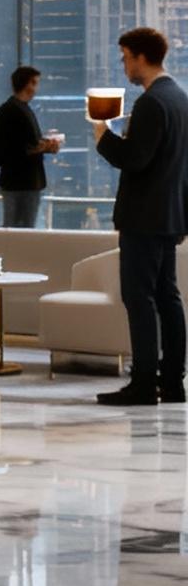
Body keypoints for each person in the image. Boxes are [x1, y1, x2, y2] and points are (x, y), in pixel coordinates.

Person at [91, 25, 188, 408]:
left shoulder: (151, 102)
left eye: (126, 58)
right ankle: (173, 382)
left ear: (141, 57)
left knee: (139, 297)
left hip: (144, 217)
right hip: (169, 215)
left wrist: (103, 136)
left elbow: (136, 159)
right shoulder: (180, 97)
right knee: (168, 297)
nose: (124, 65)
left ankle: (144, 383)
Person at [0, 64, 63, 227]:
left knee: (16, 230)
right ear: (28, 84)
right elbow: (16, 149)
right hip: (23, 184)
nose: (36, 89)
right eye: (35, 83)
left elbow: (16, 147)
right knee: (22, 231)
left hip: (18, 182)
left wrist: (42, 146)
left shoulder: (12, 110)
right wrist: (42, 147)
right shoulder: (16, 111)